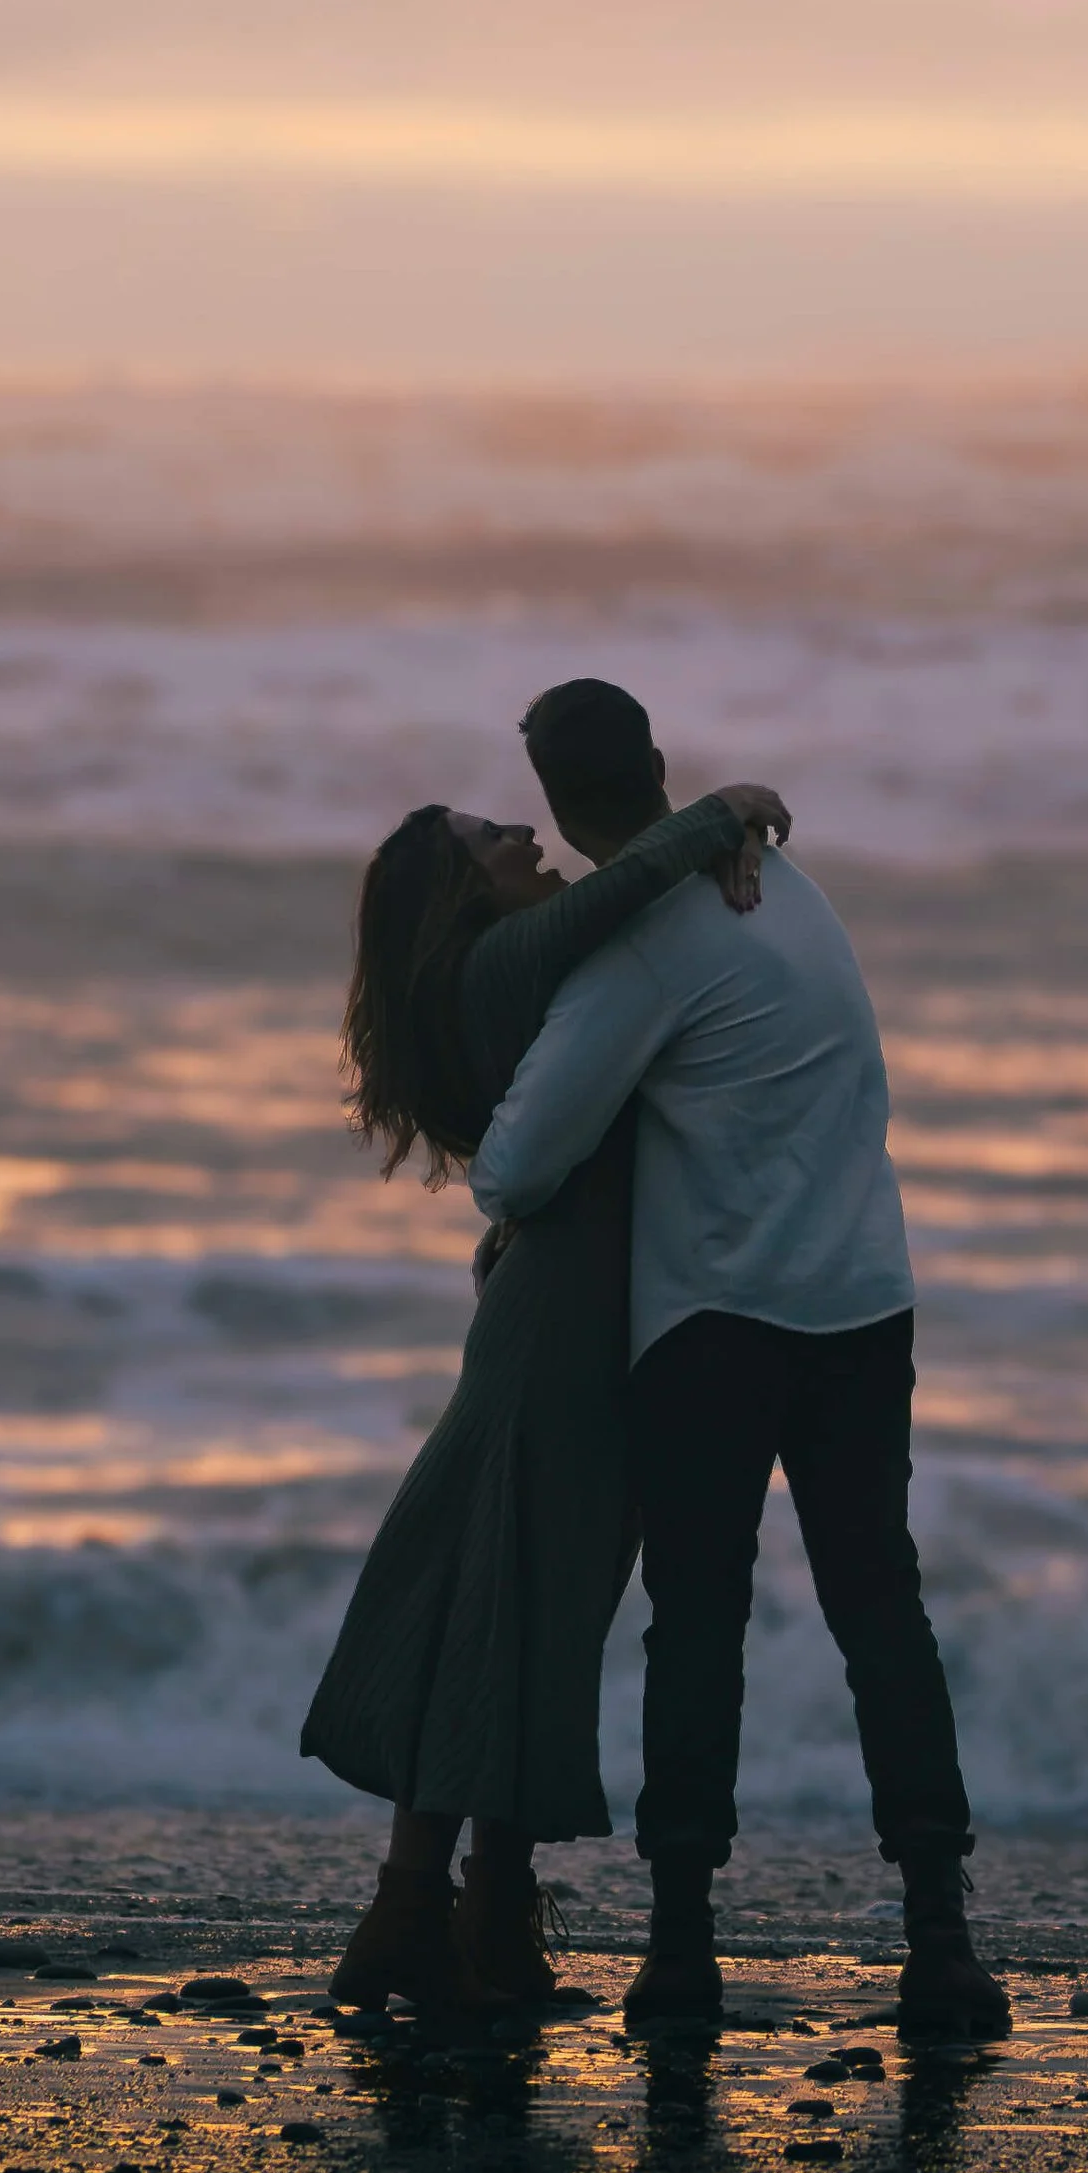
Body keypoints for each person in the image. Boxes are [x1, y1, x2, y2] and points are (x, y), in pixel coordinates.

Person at [472, 678, 1009, 2041]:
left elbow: (515, 1166)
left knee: (697, 1621)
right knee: (880, 1607)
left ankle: (681, 1949)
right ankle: (940, 1936)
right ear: (660, 766)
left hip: (716, 1318)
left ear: (554, 800)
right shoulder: (789, 886)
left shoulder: (643, 944)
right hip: (862, 1297)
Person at [302, 760, 792, 2014]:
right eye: (489, 835)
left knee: (496, 1597)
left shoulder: (489, 981)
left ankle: (427, 1915)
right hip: (565, 1331)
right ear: (460, 893)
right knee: (528, 1605)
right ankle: (473, 1929)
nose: (524, 833)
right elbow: (626, 880)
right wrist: (725, 808)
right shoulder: (507, 965)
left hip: (551, 1316)